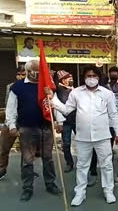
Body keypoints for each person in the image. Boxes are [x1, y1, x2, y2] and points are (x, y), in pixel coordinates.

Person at [48, 66, 118, 205]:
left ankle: (108, 191)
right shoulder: (76, 93)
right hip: (82, 137)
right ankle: (80, 193)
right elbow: (66, 110)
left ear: (99, 77)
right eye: (89, 76)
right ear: (84, 78)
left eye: (94, 76)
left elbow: (113, 114)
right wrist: (53, 101)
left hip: (102, 136)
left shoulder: (107, 93)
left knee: (106, 165)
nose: (91, 78)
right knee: (82, 165)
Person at [6, 60, 62, 201]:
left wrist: (59, 122)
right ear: (28, 72)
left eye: (40, 72)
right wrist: (12, 125)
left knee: (48, 158)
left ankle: (50, 184)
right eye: (34, 72)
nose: (37, 75)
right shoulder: (17, 87)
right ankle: (27, 188)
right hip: (27, 128)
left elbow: (54, 104)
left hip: (46, 128)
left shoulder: (47, 86)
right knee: (27, 160)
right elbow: (11, 108)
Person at [0, 65, 26, 180]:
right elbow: (8, 105)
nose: (21, 76)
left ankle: (26, 171)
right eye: (19, 74)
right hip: (10, 121)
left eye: (23, 74)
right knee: (3, 147)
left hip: (25, 122)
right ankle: (1, 169)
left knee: (26, 150)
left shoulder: (31, 87)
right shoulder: (10, 87)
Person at [54, 70, 76, 173]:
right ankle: (69, 163)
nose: (71, 80)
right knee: (66, 144)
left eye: (71, 78)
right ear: (63, 80)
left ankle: (85, 163)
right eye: (69, 79)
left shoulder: (74, 90)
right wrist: (59, 123)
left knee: (83, 143)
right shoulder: (57, 90)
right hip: (65, 122)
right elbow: (56, 107)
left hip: (76, 120)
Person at [106, 66, 118, 159]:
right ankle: (110, 152)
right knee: (110, 136)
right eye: (112, 72)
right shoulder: (105, 86)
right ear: (109, 74)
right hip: (108, 116)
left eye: (116, 73)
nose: (114, 74)